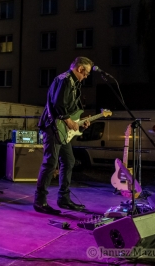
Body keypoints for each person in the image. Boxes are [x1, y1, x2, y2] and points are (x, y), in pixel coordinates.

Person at [33, 56, 93, 215]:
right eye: (86, 73)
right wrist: (69, 122)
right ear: (80, 69)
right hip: (52, 126)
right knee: (50, 163)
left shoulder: (74, 84)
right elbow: (58, 103)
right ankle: (39, 201)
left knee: (69, 160)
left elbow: (71, 109)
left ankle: (63, 198)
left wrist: (80, 122)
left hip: (61, 128)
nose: (86, 76)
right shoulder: (64, 79)